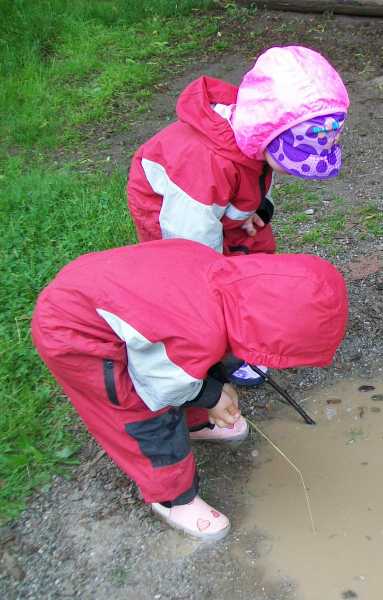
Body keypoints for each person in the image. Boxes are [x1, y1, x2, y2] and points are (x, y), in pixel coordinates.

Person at [31, 239, 348, 542]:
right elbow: (161, 382)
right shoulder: (199, 332)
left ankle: (196, 424)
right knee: (141, 413)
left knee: (200, 363)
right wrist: (210, 395)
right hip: (77, 334)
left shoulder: (222, 280)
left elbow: (188, 351)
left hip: (113, 302)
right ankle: (172, 498)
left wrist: (213, 387)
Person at [126, 45, 349, 386]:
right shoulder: (202, 165)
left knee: (255, 252)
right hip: (178, 215)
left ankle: (248, 327)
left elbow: (259, 175)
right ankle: (217, 348)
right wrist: (218, 285)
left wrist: (257, 207)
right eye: (290, 156)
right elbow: (192, 246)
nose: (293, 169)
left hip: (223, 205)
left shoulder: (254, 135)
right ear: (264, 132)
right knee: (194, 289)